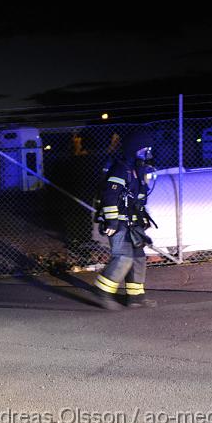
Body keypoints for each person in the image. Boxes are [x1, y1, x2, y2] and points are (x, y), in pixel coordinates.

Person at [92, 131, 158, 310]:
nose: (147, 153)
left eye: (149, 149)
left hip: (133, 223)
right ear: (134, 149)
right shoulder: (121, 169)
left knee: (138, 258)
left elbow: (138, 199)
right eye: (144, 149)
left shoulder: (139, 170)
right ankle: (102, 291)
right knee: (123, 258)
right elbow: (109, 195)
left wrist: (142, 219)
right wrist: (112, 222)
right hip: (119, 223)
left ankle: (135, 297)